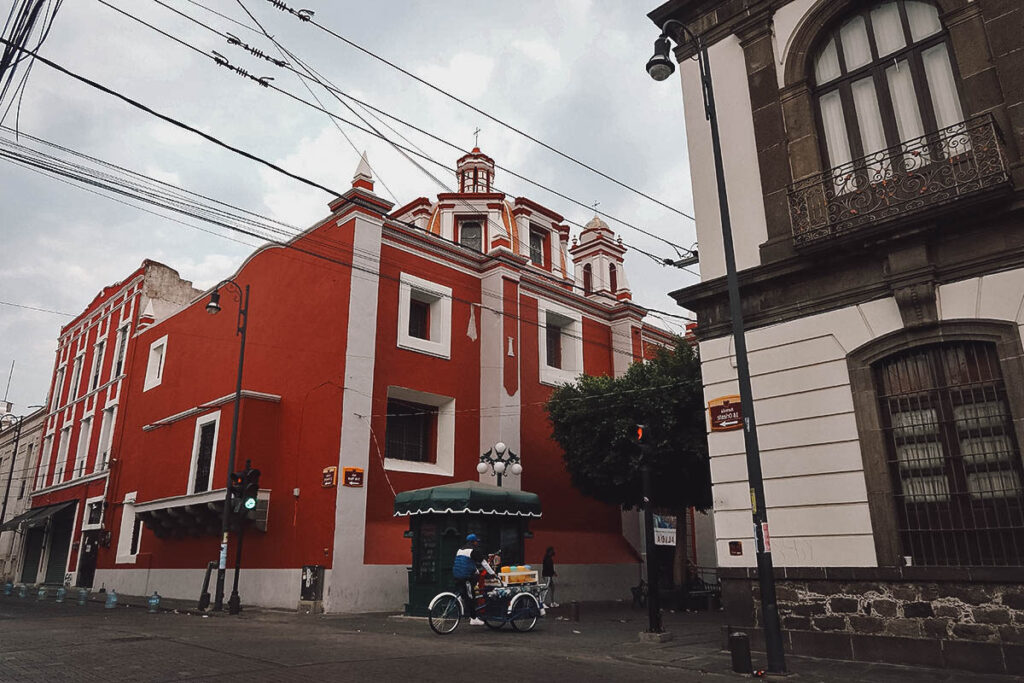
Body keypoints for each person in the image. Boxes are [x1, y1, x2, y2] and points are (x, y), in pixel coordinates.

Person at [452, 533, 500, 625]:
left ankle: (462, 599)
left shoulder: (460, 550)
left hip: (456, 575)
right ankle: (473, 618)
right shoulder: (473, 550)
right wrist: (493, 573)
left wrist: (476, 570)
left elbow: (465, 563)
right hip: (465, 577)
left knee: (465, 592)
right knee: (471, 596)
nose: (477, 543)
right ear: (474, 542)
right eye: (476, 542)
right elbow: (484, 563)